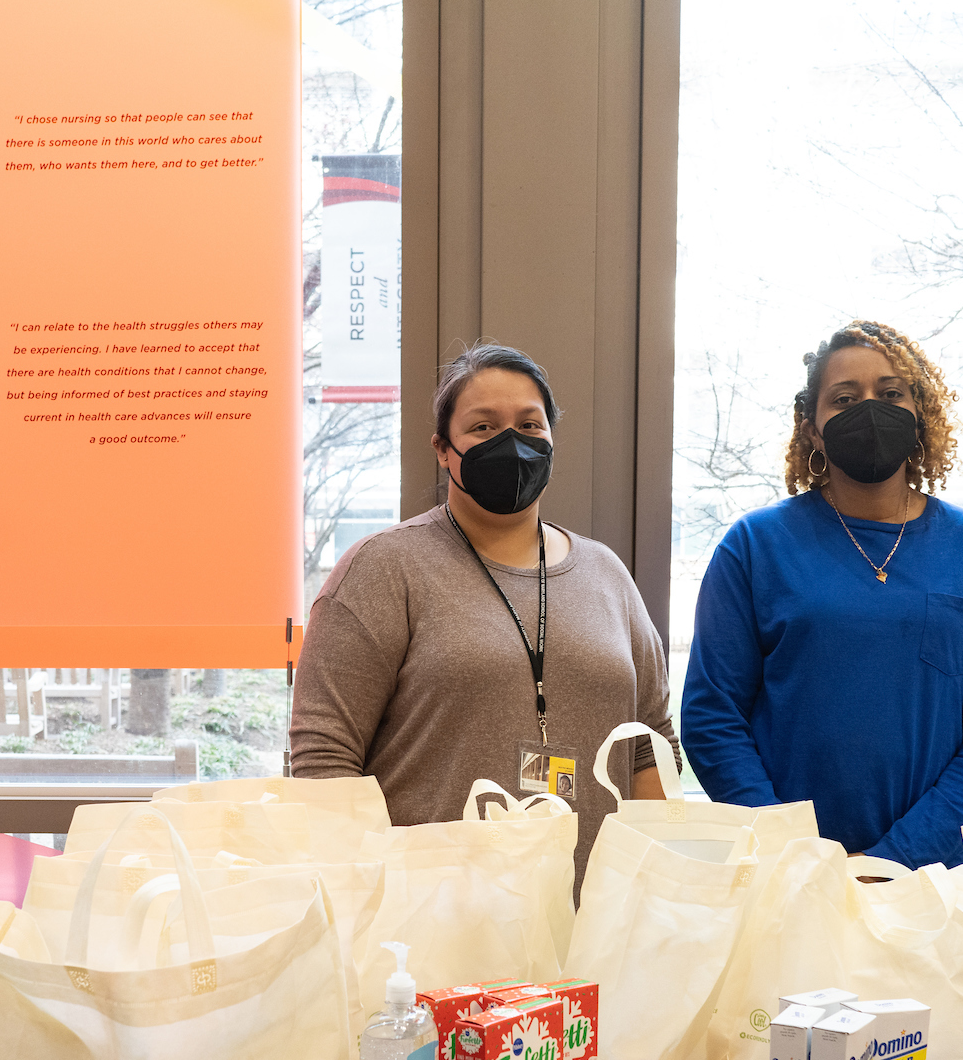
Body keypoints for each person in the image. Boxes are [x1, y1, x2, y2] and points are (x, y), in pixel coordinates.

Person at [290, 343, 680, 882]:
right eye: (482, 427)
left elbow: (651, 749)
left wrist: (651, 892)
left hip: (593, 921)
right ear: (442, 449)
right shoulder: (384, 569)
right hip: (435, 926)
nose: (511, 443)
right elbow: (323, 760)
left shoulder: (606, 575)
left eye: (530, 424)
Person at [680, 320, 963, 868]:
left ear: (920, 415)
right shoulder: (754, 546)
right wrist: (791, 855)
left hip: (929, 879)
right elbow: (712, 717)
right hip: (783, 880)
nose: (870, 409)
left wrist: (898, 859)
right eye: (844, 398)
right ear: (814, 429)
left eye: (891, 394)